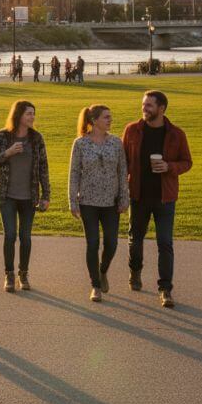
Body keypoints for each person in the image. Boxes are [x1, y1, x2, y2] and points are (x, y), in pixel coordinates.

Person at [122, 90, 192, 309]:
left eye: (149, 105)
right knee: (136, 238)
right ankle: (135, 271)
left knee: (165, 243)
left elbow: (187, 162)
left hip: (165, 197)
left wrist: (169, 167)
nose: (144, 108)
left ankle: (165, 289)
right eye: (143, 105)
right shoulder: (132, 130)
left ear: (161, 109)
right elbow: (123, 162)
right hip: (138, 195)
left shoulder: (176, 134)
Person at [0, 100, 51, 293]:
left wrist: (46, 195)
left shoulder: (36, 139)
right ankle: (9, 274)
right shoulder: (3, 136)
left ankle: (23, 274)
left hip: (29, 196)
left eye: (33, 113)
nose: (32, 117)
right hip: (6, 195)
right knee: (10, 234)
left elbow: (43, 168)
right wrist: (8, 152)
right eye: (28, 114)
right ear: (18, 115)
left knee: (25, 236)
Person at [68, 105, 129, 303]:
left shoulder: (116, 143)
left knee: (112, 243)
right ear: (94, 120)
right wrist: (73, 201)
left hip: (111, 202)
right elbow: (74, 173)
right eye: (106, 117)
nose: (110, 120)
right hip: (88, 201)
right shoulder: (80, 144)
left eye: (110, 117)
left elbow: (122, 172)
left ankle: (103, 271)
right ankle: (95, 285)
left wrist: (124, 198)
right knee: (92, 243)